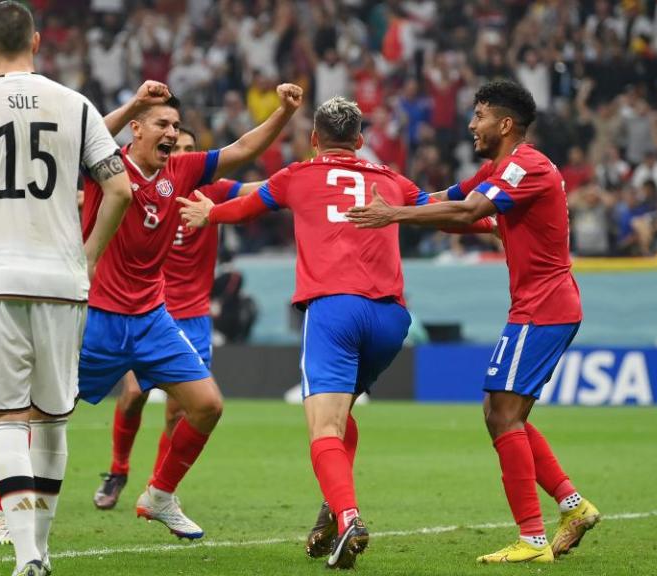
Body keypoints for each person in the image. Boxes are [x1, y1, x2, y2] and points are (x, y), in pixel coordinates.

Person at [178, 96, 493, 569]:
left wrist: (210, 216)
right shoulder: (391, 178)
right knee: (341, 412)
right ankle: (333, 505)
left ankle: (348, 517)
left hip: (334, 310)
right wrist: (492, 224)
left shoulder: (295, 176)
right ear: (361, 141)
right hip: (391, 320)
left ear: (313, 138)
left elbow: (245, 208)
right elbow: (445, 214)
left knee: (323, 425)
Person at [0, 3, 131, 576]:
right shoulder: (77, 105)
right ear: (37, 41)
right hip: (61, 280)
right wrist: (86, 256)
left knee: (7, 419)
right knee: (52, 419)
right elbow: (121, 191)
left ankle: (28, 558)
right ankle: (42, 549)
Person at [346, 79, 600, 564]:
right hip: (539, 306)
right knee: (505, 413)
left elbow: (470, 209)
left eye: (479, 115)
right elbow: (448, 206)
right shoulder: (501, 169)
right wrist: (390, 187)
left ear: (505, 124)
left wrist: (392, 214)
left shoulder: (527, 165)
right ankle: (573, 506)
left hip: (544, 307)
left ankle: (532, 539)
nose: (471, 123)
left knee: (501, 414)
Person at [79, 80, 303, 540]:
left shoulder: (184, 173)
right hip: (96, 315)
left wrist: (284, 114)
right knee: (49, 407)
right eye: (162, 124)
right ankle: (9, 504)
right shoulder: (106, 166)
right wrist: (135, 102)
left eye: (177, 126)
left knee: (206, 406)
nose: (171, 133)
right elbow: (82, 136)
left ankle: (159, 494)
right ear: (135, 129)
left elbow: (242, 151)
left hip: (156, 317)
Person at [93, 127, 262, 510]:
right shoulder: (148, 193)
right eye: (176, 148)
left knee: (181, 411)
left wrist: (304, 174)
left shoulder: (212, 192)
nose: (180, 154)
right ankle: (118, 470)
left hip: (195, 318)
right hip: (151, 312)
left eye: (189, 149)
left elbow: (258, 190)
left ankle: (157, 489)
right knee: (134, 394)